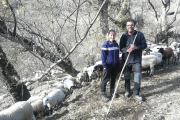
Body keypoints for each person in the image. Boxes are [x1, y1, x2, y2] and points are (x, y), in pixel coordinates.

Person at [119, 19, 147, 101]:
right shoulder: (124, 36)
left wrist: (136, 47)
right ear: (126, 27)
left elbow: (144, 45)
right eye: (128, 25)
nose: (129, 27)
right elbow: (121, 48)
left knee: (137, 77)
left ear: (134, 26)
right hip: (126, 60)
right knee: (127, 77)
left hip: (137, 60)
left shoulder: (139, 34)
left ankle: (136, 93)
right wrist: (127, 50)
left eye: (131, 25)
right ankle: (127, 91)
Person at [101, 29, 120, 102]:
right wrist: (104, 66)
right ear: (108, 36)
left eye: (114, 35)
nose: (112, 36)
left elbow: (117, 54)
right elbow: (103, 56)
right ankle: (103, 93)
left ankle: (112, 92)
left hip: (115, 65)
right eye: (111, 35)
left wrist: (118, 62)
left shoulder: (116, 44)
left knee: (113, 79)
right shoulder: (105, 44)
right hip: (108, 65)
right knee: (105, 79)